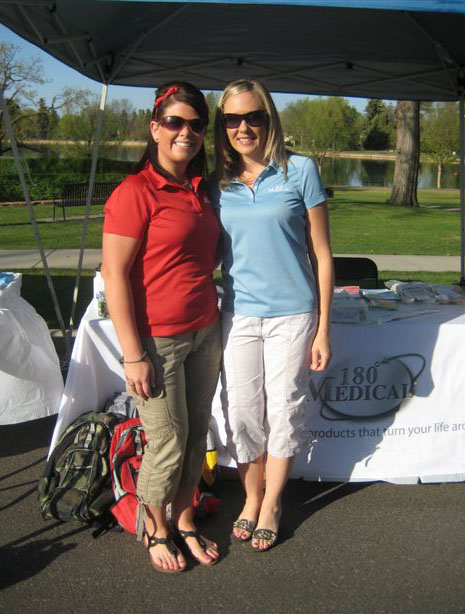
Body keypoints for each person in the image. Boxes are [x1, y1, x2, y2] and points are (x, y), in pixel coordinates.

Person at [101, 81, 221, 572]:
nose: (185, 132)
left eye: (195, 125)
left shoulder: (200, 189)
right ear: (154, 128)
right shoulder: (135, 192)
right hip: (160, 341)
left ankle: (186, 517)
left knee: (195, 438)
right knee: (168, 441)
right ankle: (154, 525)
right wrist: (133, 354)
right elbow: (114, 276)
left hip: (205, 332)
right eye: (174, 122)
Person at [212, 79, 333, 552]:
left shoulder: (300, 171)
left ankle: (272, 503)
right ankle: (250, 494)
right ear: (223, 127)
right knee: (242, 413)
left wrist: (324, 327)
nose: (244, 127)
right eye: (232, 119)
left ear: (269, 118)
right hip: (238, 314)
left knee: (285, 410)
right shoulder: (217, 184)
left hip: (293, 315)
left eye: (253, 117)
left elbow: (323, 255)